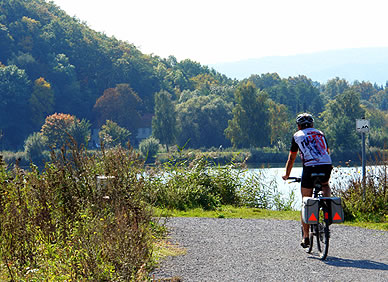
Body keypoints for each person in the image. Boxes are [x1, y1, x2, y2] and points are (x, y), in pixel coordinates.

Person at [282, 113, 333, 248]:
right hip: (326, 165)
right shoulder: (320, 133)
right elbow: (326, 150)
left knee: (306, 201)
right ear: (312, 125)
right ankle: (328, 209)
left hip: (309, 168)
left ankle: (305, 237)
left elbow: (292, 158)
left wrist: (287, 175)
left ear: (299, 126)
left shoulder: (297, 135)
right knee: (325, 184)